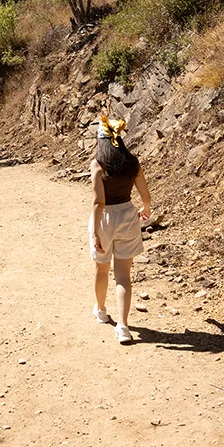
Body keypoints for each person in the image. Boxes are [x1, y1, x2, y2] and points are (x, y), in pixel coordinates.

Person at [88, 115, 151, 344]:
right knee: (123, 274)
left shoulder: (98, 164)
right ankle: (123, 327)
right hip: (127, 215)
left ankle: (102, 310)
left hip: (104, 219)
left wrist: (95, 231)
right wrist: (145, 209)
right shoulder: (132, 162)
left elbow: (98, 202)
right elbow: (146, 196)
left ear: (100, 140)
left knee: (102, 269)